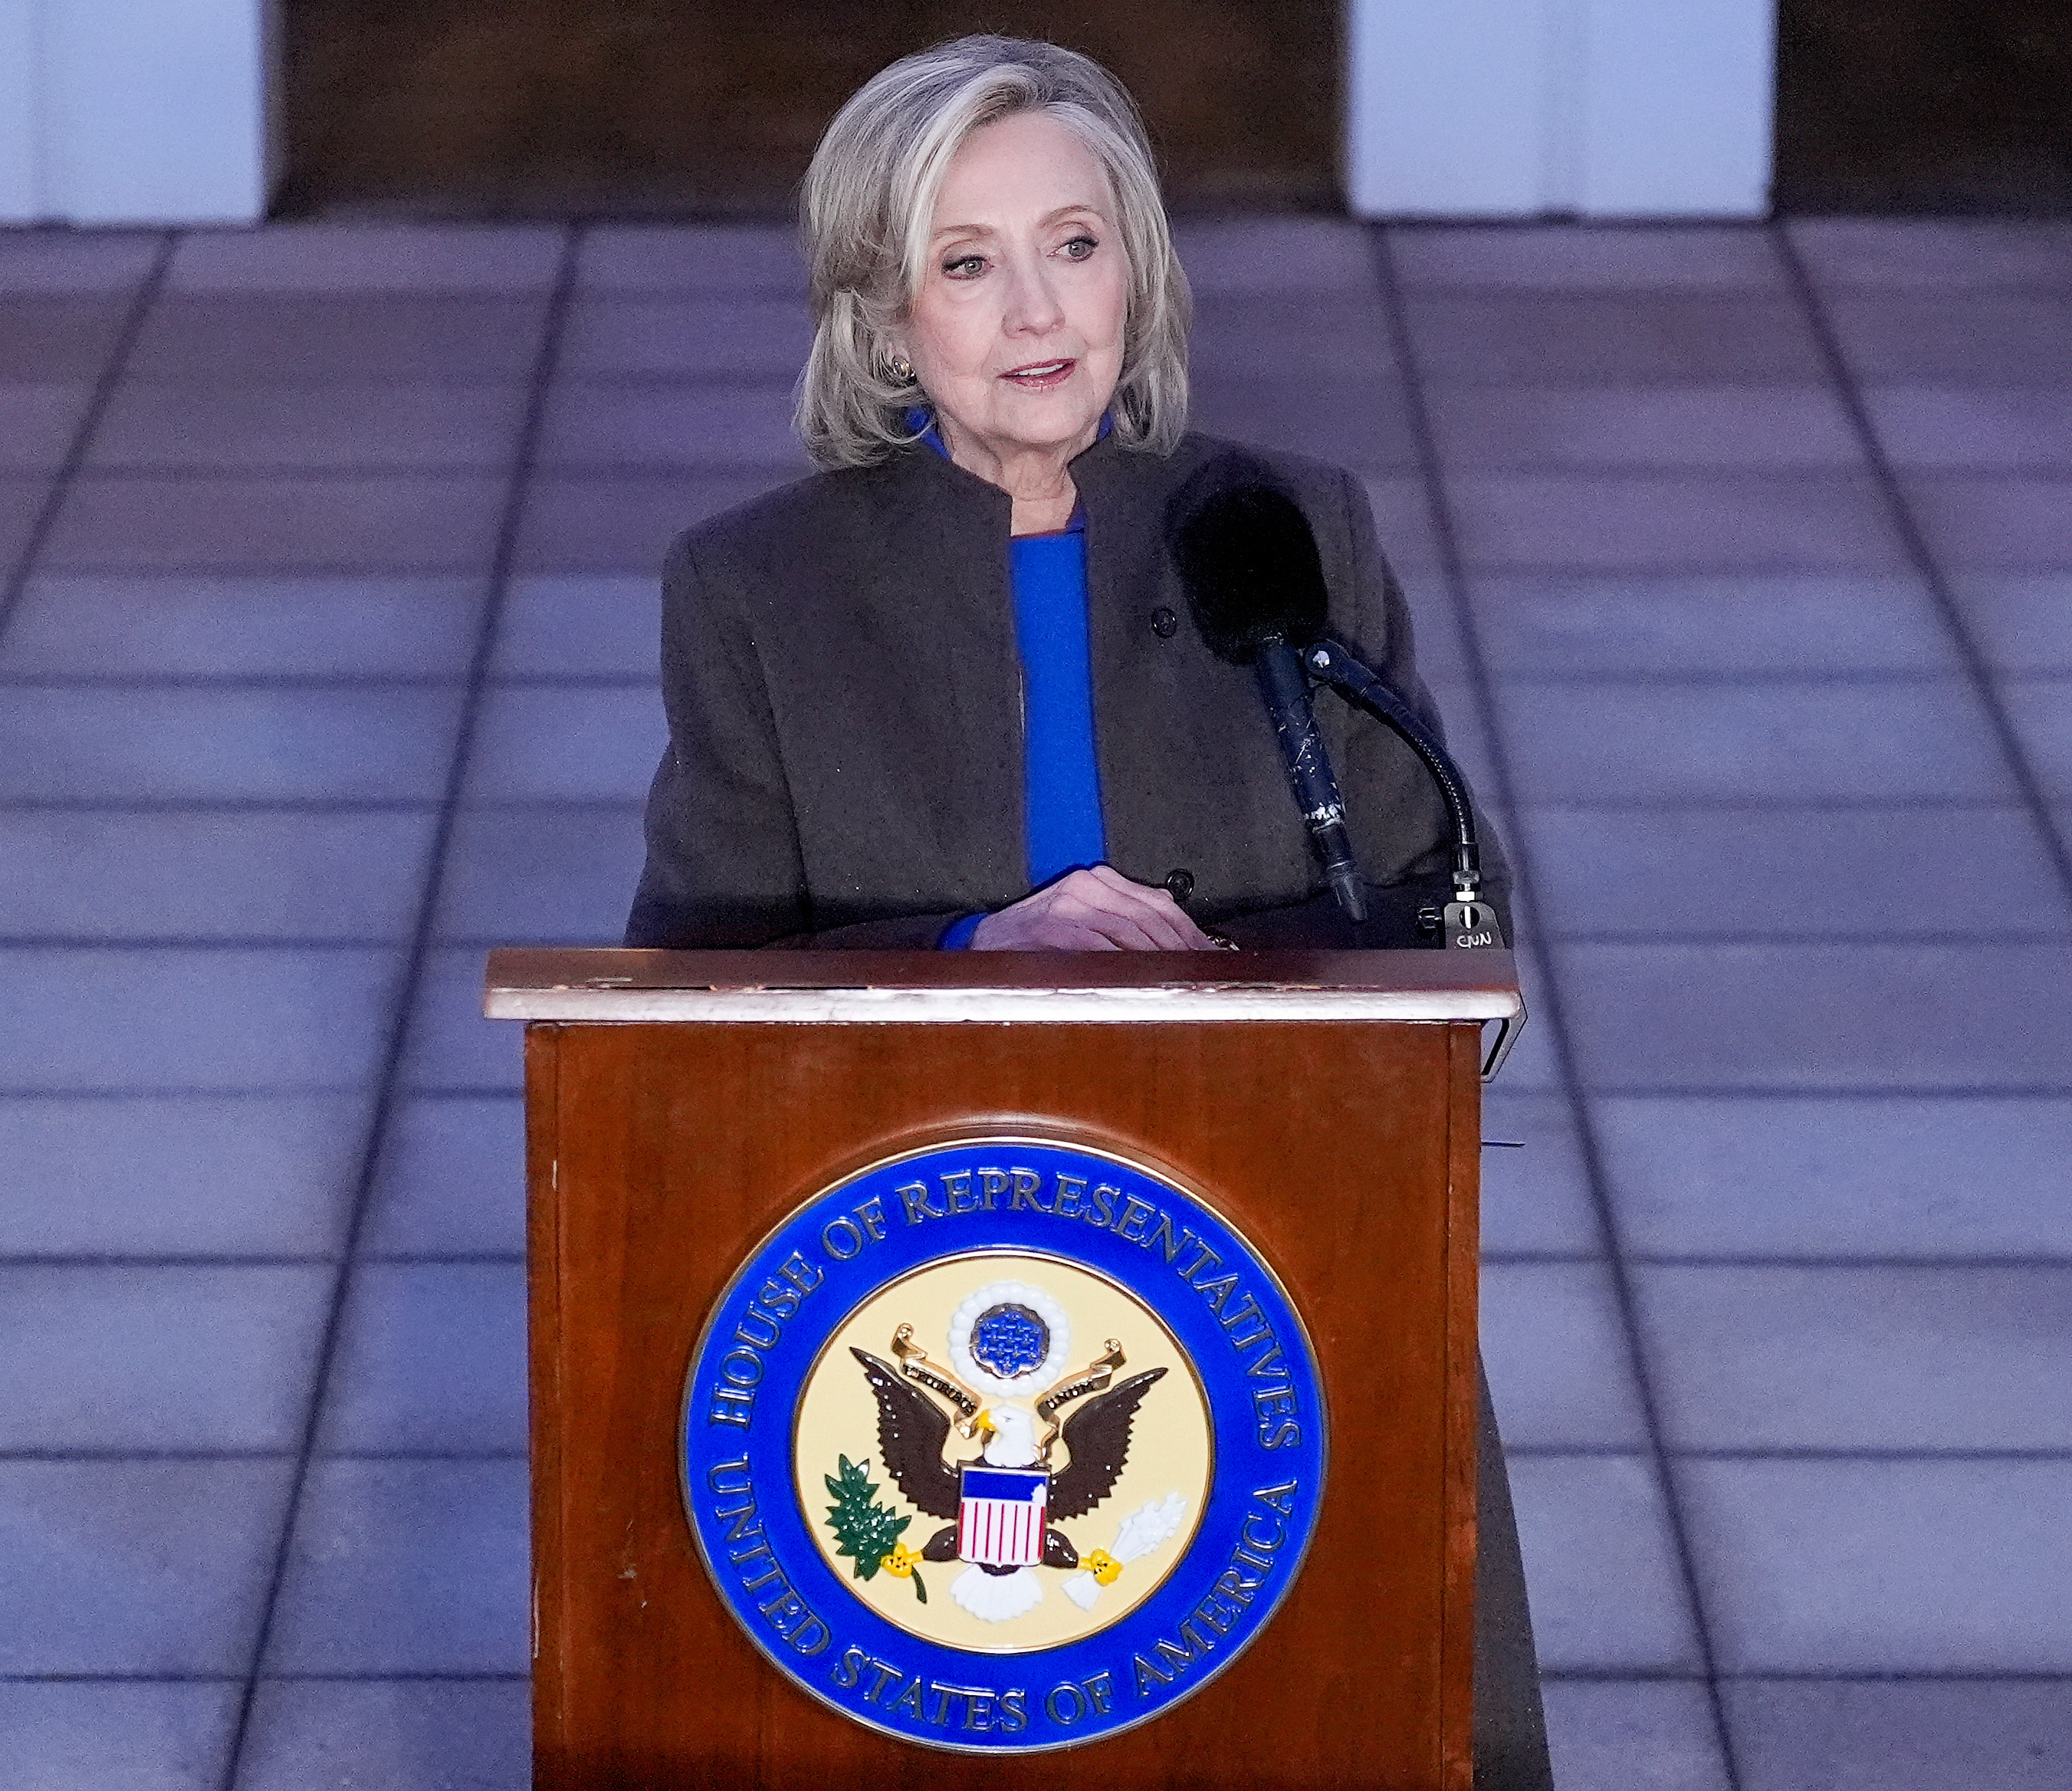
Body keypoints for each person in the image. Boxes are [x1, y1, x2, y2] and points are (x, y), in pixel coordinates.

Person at [626, 35, 1550, 1786]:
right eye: (965, 262)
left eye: (1073, 243)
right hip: (915, 1284)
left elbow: (1451, 931)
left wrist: (1233, 985)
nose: (1036, 309)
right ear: (881, 314)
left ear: (1138, 266)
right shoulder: (756, 589)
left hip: (1282, 1257)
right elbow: (683, 1007)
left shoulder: (1285, 527)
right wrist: (972, 952)